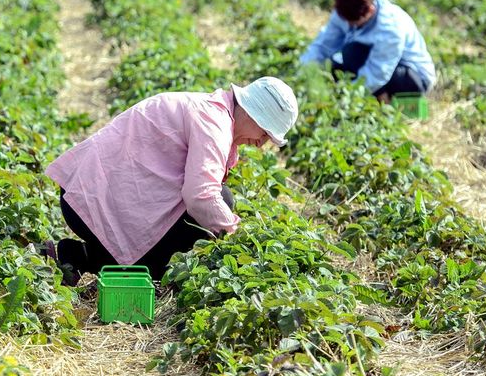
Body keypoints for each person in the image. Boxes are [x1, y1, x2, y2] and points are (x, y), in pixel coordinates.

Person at [42, 76, 298, 285]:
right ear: (253, 114)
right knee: (216, 207)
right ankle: (80, 257)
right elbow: (202, 195)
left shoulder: (214, 114)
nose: (262, 143)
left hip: (90, 196)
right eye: (265, 133)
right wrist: (238, 239)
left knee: (199, 221)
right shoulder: (214, 122)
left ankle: (72, 256)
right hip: (88, 200)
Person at [299, 0, 435, 102]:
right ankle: (375, 96)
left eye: (354, 23)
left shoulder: (390, 28)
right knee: (336, 64)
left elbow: (378, 73)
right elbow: (323, 46)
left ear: (370, 10)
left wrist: (348, 98)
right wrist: (303, 72)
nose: (349, 26)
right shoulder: (344, 12)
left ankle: (384, 101)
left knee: (353, 53)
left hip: (412, 77)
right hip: (377, 65)